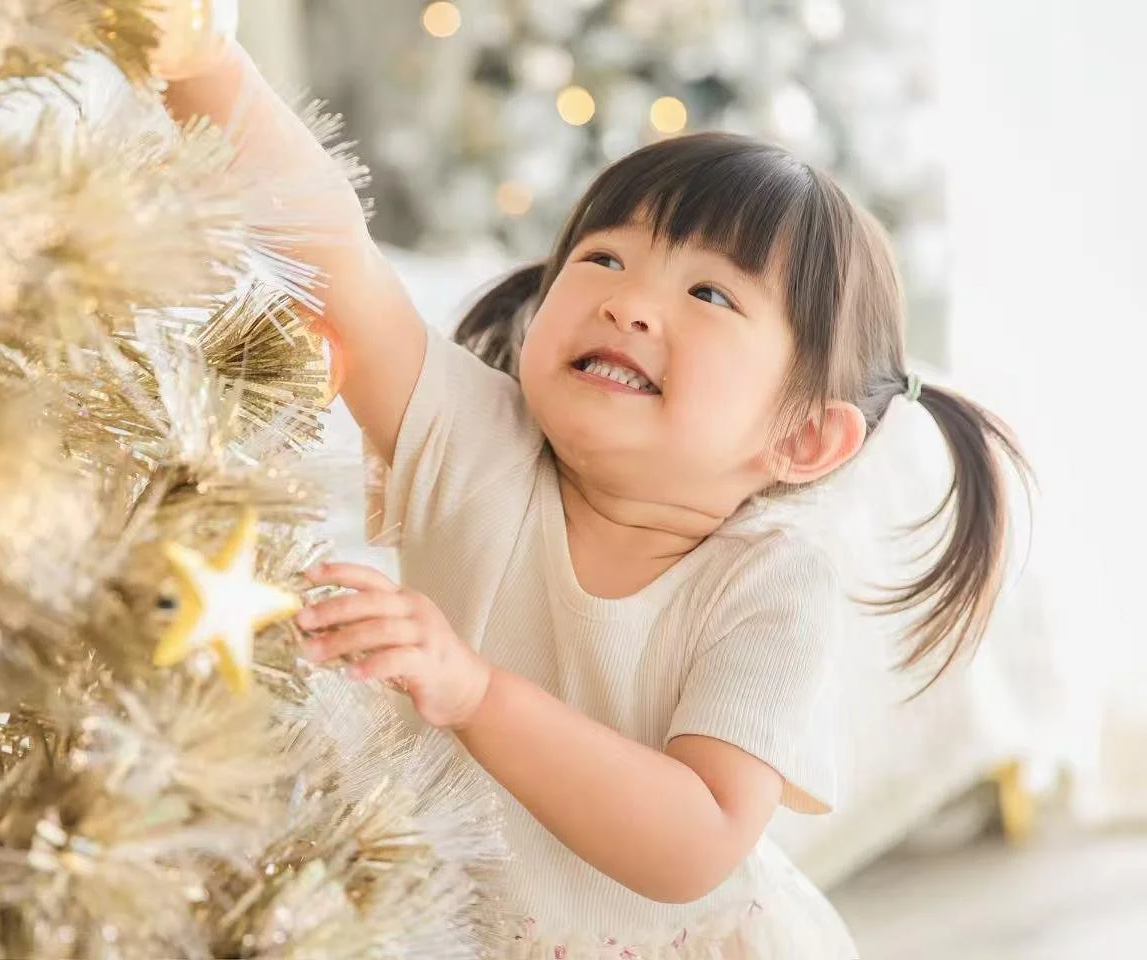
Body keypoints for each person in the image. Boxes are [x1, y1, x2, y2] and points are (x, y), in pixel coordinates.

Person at [153, 18, 1027, 959]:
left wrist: (474, 692)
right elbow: (336, 258)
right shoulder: (476, 447)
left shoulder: (774, 587)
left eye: (709, 295)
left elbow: (695, 842)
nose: (627, 300)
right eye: (604, 258)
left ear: (803, 436)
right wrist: (201, 57)